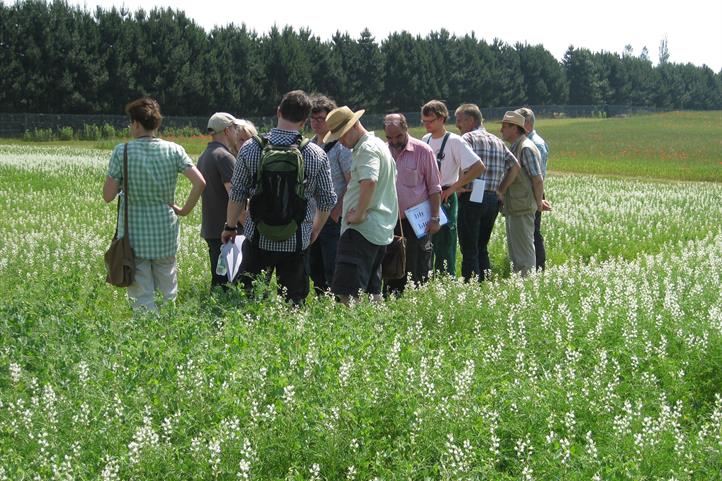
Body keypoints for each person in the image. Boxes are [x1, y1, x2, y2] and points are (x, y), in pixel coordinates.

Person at [221, 90, 336, 305]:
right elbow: (328, 199)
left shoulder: (250, 148)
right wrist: (315, 230)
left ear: (278, 111)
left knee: (251, 302)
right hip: (297, 240)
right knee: (293, 305)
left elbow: (237, 194)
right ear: (304, 122)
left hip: (258, 238)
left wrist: (229, 227)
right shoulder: (315, 153)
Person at [102, 97, 206, 311]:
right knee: (168, 287)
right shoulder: (174, 150)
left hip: (135, 235)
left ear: (136, 124)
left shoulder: (123, 151)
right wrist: (184, 210)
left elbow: (108, 196)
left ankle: (146, 333)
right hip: (165, 232)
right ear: (157, 124)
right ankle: (168, 328)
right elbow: (200, 182)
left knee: (141, 294)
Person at [323, 106, 397, 304]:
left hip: (361, 231)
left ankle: (349, 332)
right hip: (376, 229)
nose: (340, 140)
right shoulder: (378, 145)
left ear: (355, 125)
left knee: (347, 294)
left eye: (342, 134)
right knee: (373, 291)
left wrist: (359, 214)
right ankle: (374, 330)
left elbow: (369, 180)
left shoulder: (366, 148)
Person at [454, 103, 520, 282]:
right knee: (482, 246)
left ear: (470, 120)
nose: (457, 125)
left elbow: (461, 163)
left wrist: (459, 185)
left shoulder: (467, 139)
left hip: (472, 194)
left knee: (469, 247)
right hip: (492, 197)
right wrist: (501, 190)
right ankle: (485, 281)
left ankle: (471, 285)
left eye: (459, 120)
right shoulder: (497, 141)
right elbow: (515, 166)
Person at [420, 100, 484, 277]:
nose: (426, 125)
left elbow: (478, 167)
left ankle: (446, 279)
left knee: (445, 242)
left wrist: (454, 187)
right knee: (425, 241)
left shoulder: (455, 141)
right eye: (424, 121)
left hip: (446, 196)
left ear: (441, 119)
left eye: (430, 121)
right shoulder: (425, 140)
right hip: (426, 196)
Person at [383, 113, 441, 295]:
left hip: (416, 220)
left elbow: (434, 188)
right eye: (389, 137)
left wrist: (435, 217)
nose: (394, 141)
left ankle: (416, 299)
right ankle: (393, 298)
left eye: (398, 136)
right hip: (390, 220)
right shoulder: (383, 151)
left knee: (417, 265)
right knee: (392, 265)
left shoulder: (423, 151)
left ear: (406, 129)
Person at [196, 112, 248, 289]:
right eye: (235, 128)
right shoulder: (224, 157)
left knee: (219, 282)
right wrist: (248, 225)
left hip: (212, 229)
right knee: (231, 284)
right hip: (228, 233)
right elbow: (235, 196)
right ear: (227, 131)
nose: (237, 132)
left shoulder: (205, 155)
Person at [308, 95, 353, 295]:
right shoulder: (308, 145)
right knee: (313, 265)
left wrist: (336, 211)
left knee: (332, 265)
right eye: (313, 118)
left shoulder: (340, 146)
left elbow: (351, 181)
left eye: (321, 119)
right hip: (311, 215)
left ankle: (335, 303)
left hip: (332, 217)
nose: (316, 123)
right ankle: (320, 299)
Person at [499, 110, 550, 276]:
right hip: (515, 205)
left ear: (515, 128)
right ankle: (522, 284)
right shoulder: (517, 146)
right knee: (516, 253)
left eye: (505, 127)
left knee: (524, 253)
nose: (501, 131)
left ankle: (528, 286)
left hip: (522, 206)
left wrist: (538, 203)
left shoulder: (525, 148)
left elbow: (537, 178)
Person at [517, 107, 549, 271]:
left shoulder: (534, 144)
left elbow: (538, 176)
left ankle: (538, 267)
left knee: (533, 231)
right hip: (531, 191)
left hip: (533, 191)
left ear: (527, 124)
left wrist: (538, 199)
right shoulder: (529, 141)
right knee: (531, 231)